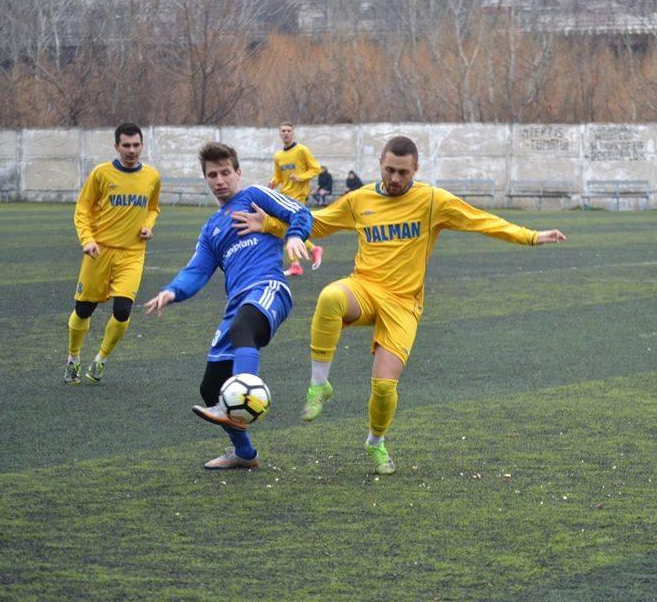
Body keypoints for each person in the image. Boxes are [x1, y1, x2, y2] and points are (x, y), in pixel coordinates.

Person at [231, 136, 567, 475]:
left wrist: (531, 236)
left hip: (403, 304)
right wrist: (271, 225)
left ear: (415, 169)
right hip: (364, 287)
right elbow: (320, 223)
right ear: (380, 164)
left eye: (403, 172)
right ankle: (320, 384)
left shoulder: (433, 201)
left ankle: (375, 441)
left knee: (384, 389)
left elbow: (481, 220)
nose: (395, 178)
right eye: (389, 170)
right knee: (330, 297)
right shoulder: (359, 199)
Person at [143, 142, 313, 470]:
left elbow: (300, 212)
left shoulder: (256, 196)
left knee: (242, 329)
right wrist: (172, 291)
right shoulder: (211, 229)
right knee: (210, 387)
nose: (219, 180)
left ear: (238, 172)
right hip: (236, 304)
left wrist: (294, 235)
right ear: (206, 179)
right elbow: (197, 270)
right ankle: (244, 453)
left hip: (268, 288)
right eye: (212, 175)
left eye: (225, 172)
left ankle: (246, 393)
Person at [64, 123, 161, 385]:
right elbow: (82, 209)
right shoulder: (101, 174)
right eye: (126, 145)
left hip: (132, 254)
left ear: (142, 145)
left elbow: (153, 208)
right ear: (116, 146)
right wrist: (87, 240)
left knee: (122, 310)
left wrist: (147, 226)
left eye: (136, 145)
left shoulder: (152, 176)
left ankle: (100, 360)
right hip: (99, 252)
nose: (132, 150)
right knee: (84, 309)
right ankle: (73, 359)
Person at [269, 122, 323, 276]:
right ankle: (310, 251)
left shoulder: (301, 150)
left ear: (293, 133)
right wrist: (273, 182)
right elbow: (279, 176)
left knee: (287, 229)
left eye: (288, 131)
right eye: (283, 131)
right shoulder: (278, 156)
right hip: (285, 195)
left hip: (299, 195)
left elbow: (316, 168)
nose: (286, 133)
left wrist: (300, 177)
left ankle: (297, 264)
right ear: (280, 134)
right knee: (286, 229)